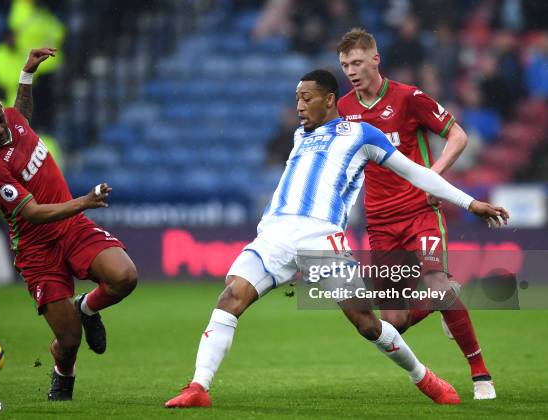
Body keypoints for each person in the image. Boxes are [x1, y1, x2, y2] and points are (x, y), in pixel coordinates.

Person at [164, 69, 508, 408]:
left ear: (329, 100)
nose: (298, 106)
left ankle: (424, 377)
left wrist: (469, 202)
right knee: (229, 299)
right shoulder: (300, 137)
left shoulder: (362, 135)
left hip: (322, 241)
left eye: (306, 98)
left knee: (368, 323)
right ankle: (199, 387)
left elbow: (418, 174)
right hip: (274, 236)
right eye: (296, 98)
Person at [0, 48, 138, 401]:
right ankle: (63, 374)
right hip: (37, 248)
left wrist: (27, 74)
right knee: (69, 340)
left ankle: (86, 308)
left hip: (71, 228)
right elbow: (34, 212)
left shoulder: (10, 120)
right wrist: (85, 201)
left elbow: (21, 117)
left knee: (125, 277)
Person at [336, 28, 496, 399]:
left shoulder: (409, 97)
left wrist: (433, 178)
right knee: (392, 321)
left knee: (436, 283)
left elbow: (458, 135)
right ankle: (444, 297)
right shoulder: (343, 109)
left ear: (376, 59)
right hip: (379, 220)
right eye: (345, 65)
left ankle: (480, 374)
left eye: (357, 62)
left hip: (419, 211)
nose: (351, 71)